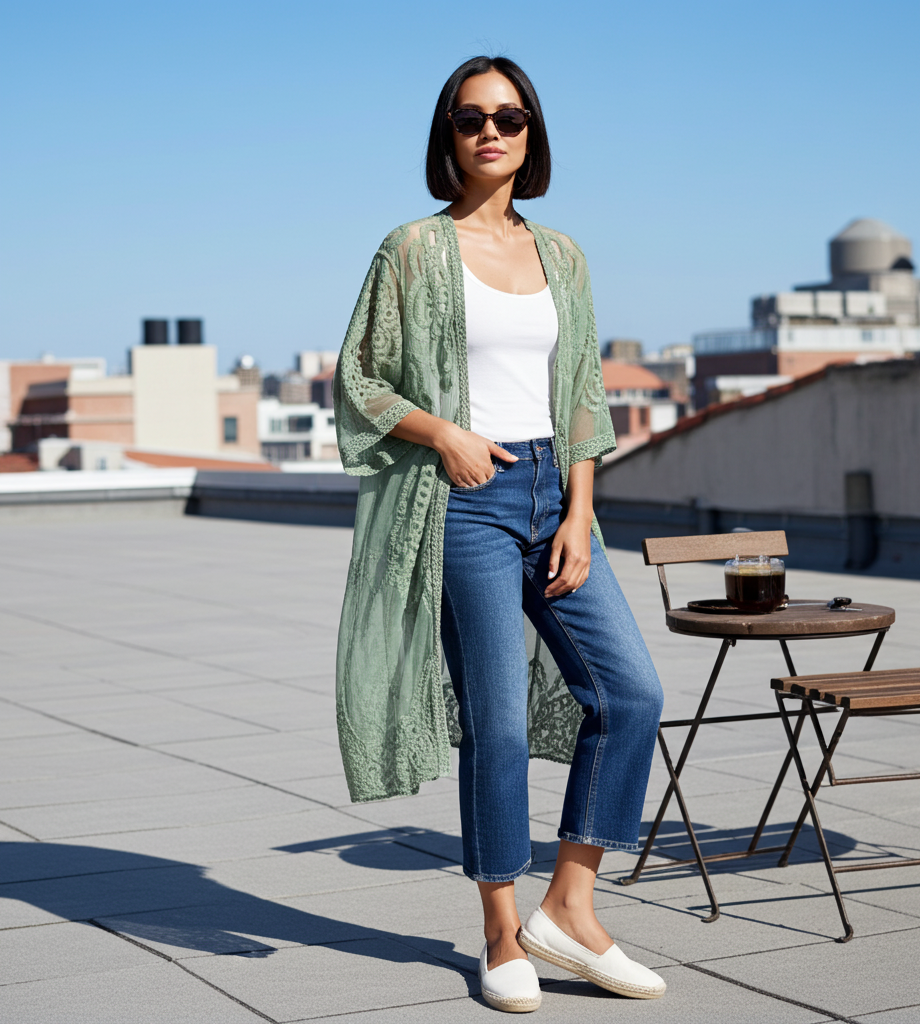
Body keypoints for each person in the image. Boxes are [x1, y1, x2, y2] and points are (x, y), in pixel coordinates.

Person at [333, 55, 665, 1012]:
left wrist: (582, 512)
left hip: (554, 497)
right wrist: (444, 435)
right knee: (501, 725)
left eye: (511, 117)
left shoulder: (563, 254)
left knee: (631, 694)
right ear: (448, 136)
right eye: (473, 117)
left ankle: (571, 906)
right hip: (463, 502)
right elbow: (360, 379)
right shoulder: (411, 248)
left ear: (532, 135)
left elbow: (588, 397)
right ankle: (498, 932)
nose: (492, 131)